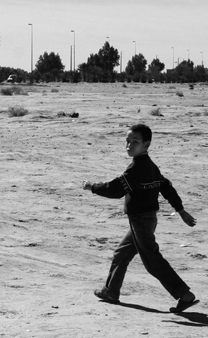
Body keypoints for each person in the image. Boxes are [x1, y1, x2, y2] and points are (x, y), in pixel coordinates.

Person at [82, 123, 198, 313]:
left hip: (142, 221)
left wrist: (93, 187)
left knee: (152, 261)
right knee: (121, 254)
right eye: (127, 141)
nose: (129, 145)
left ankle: (184, 294)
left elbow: (117, 188)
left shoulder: (138, 168)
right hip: (145, 220)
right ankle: (111, 291)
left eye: (135, 142)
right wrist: (181, 210)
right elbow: (166, 187)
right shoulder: (150, 166)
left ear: (146, 144)